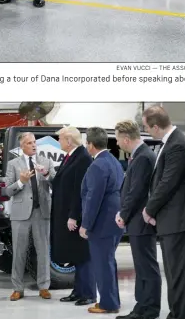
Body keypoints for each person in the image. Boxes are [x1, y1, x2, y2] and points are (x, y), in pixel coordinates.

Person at [142, 105, 185, 319]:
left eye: (147, 127)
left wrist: (149, 209)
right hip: (171, 221)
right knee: (174, 274)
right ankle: (175, 314)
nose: (147, 130)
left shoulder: (178, 145)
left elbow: (167, 183)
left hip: (178, 221)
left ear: (156, 127)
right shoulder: (172, 143)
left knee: (177, 276)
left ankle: (179, 315)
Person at [115, 120, 161, 319]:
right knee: (141, 267)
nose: (117, 143)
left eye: (117, 139)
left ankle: (150, 309)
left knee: (147, 266)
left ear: (126, 139)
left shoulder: (143, 157)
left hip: (141, 220)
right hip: (137, 221)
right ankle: (141, 306)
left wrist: (123, 214)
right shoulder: (140, 155)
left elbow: (137, 192)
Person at [5, 132, 56, 301]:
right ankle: (17, 288)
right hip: (20, 215)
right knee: (19, 251)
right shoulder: (13, 164)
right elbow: (7, 190)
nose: (33, 145)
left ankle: (44, 287)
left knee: (43, 251)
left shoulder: (46, 162)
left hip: (42, 212)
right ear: (22, 146)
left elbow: (56, 182)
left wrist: (47, 174)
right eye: (29, 143)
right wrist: (21, 182)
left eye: (34, 142)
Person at [80, 127, 124, 314]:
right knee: (108, 262)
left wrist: (85, 224)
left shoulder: (97, 165)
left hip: (102, 222)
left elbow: (93, 198)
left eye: (86, 143)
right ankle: (112, 299)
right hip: (115, 219)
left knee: (102, 264)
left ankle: (108, 304)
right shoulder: (114, 161)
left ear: (90, 144)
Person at [51, 127, 96, 307]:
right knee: (75, 256)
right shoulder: (70, 156)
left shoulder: (83, 158)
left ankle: (89, 293)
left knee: (82, 255)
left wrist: (74, 216)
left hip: (74, 216)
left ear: (69, 140)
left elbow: (80, 190)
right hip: (65, 214)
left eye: (60, 139)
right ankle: (78, 291)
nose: (59, 142)